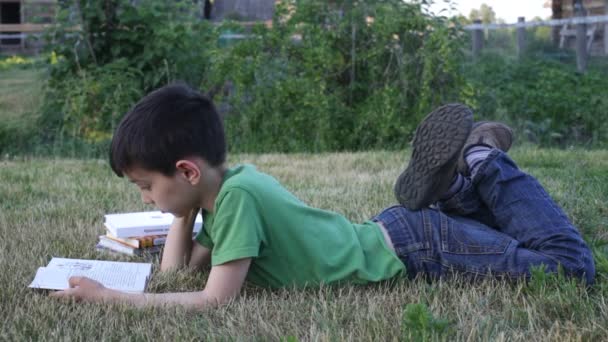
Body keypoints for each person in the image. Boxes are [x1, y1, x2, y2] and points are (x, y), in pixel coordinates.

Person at [51, 83, 595, 309]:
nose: (148, 197)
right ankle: (454, 187)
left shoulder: (237, 200)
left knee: (570, 270)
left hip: (416, 248)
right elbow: (180, 273)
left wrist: (112, 297)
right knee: (503, 241)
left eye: (147, 186)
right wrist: (181, 211)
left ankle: (481, 161)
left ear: (187, 170)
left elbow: (213, 300)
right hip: (402, 236)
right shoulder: (223, 192)